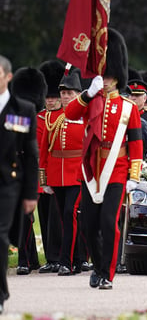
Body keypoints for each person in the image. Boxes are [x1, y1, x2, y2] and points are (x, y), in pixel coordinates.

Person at [64, 29, 144, 290]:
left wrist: (134, 176)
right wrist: (87, 94)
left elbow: (135, 144)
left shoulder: (128, 107)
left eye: (109, 76)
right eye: (103, 76)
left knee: (109, 223)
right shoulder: (91, 101)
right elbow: (69, 113)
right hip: (90, 170)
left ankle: (108, 274)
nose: (106, 80)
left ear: (118, 76)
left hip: (117, 169)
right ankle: (97, 267)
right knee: (89, 225)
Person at [38, 68, 89, 276]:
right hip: (57, 174)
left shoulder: (86, 115)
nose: (66, 97)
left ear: (78, 94)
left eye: (69, 93)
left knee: (70, 214)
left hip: (77, 173)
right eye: (63, 93)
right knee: (64, 217)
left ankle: (66, 261)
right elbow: (44, 149)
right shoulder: (52, 118)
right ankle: (75, 260)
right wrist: (44, 179)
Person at [0, 55, 39, 315]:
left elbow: (31, 154)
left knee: (0, 237)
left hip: (8, 184)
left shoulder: (22, 109)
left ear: (8, 77)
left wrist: (30, 193)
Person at [9, 67, 46, 276]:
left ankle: (26, 259)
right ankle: (27, 258)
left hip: (31, 171)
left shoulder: (42, 118)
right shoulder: (17, 116)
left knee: (27, 217)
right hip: (15, 170)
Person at [34, 60, 66, 274]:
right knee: (45, 217)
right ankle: (51, 257)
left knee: (61, 217)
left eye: (54, 97)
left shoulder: (68, 116)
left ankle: (66, 256)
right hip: (41, 174)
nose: (51, 100)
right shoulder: (37, 118)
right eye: (48, 96)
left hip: (62, 174)